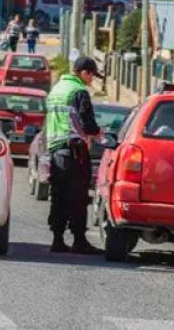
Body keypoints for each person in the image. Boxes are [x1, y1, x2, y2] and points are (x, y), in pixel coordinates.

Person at [44, 56, 104, 254]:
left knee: (58, 196)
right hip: (74, 151)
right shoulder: (78, 91)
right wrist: (97, 133)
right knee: (78, 197)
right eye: (92, 76)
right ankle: (79, 239)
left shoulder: (56, 90)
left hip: (55, 150)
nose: (92, 81)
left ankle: (57, 238)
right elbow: (87, 122)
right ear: (85, 73)